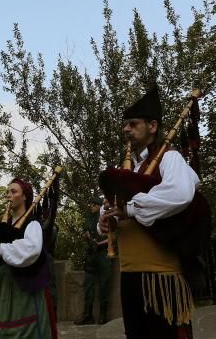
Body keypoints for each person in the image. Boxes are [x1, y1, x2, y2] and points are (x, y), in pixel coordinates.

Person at [100, 87, 199, 338]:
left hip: (160, 278)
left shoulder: (170, 158)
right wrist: (104, 221)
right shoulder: (128, 169)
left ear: (152, 126)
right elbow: (113, 208)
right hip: (129, 276)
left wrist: (130, 209)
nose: (126, 129)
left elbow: (179, 194)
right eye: (125, 125)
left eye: (133, 124)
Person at [0, 178, 58, 338]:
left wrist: (0, 248)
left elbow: (31, 250)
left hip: (23, 288)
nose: (8, 195)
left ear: (24, 196)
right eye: (7, 192)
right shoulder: (2, 227)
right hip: (0, 288)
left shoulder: (32, 224)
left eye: (13, 192)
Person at [74, 198, 110, 326]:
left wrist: (100, 243)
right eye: (91, 204)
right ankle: (88, 315)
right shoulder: (88, 217)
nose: (92, 206)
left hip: (104, 253)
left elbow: (113, 236)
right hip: (91, 253)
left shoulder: (107, 215)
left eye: (95, 204)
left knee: (104, 284)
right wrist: (87, 236)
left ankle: (103, 315)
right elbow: (85, 231)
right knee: (88, 284)